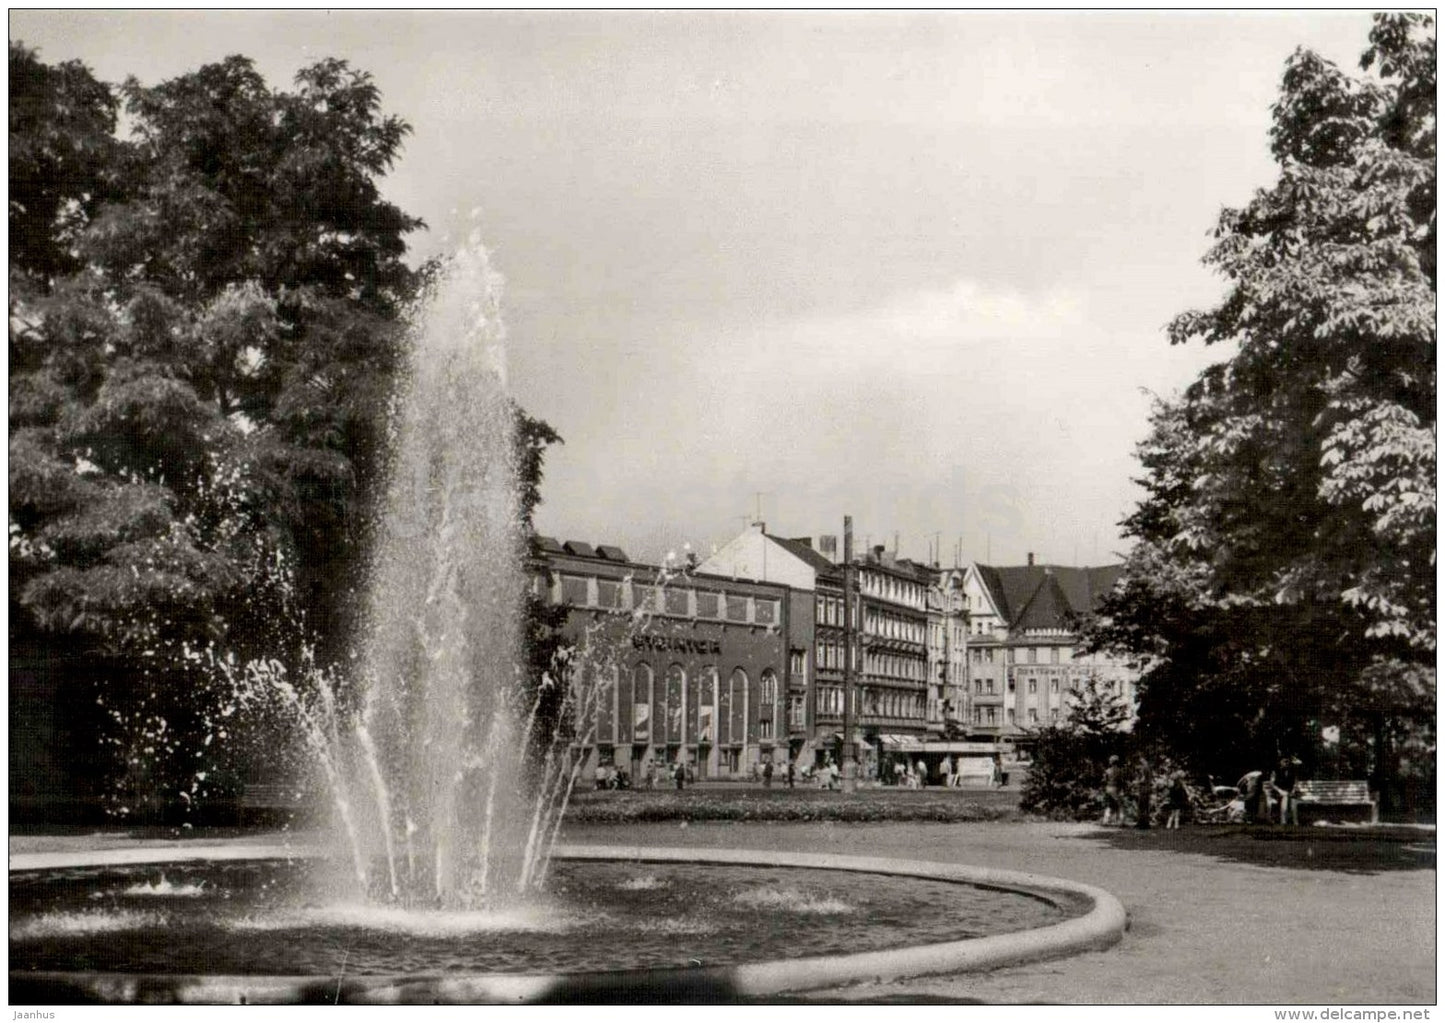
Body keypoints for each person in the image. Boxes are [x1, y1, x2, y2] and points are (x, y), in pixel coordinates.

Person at [1271, 757, 1298, 825]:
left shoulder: (1292, 771)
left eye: (1287, 761)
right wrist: (1280, 791)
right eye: (1284, 761)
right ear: (1280, 762)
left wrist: (1293, 791)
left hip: (1289, 791)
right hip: (1278, 791)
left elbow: (1295, 783)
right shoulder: (1275, 771)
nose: (1286, 763)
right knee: (1285, 797)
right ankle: (1283, 821)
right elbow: (1272, 784)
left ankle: (1295, 821)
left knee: (1293, 800)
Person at [1102, 754, 1123, 826]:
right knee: (1119, 805)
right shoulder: (1119, 771)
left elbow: (1104, 780)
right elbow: (1121, 781)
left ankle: (1106, 820)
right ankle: (1120, 821)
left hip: (1108, 787)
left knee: (1109, 805)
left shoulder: (1107, 771)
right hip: (1115, 788)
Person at [1135, 755, 1154, 829]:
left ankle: (1142, 823)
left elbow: (1143, 779)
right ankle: (1145, 823)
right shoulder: (1148, 768)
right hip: (1147, 788)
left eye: (1141, 759)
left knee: (1142, 806)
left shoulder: (1144, 768)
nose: (1140, 761)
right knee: (1145, 806)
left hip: (1143, 788)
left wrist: (1136, 782)